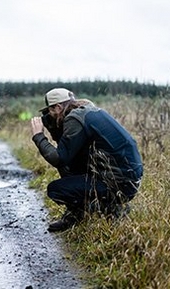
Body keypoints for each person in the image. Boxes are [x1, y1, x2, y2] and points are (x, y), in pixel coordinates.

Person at [30, 88, 143, 232]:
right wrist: (54, 127)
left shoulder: (74, 119)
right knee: (70, 166)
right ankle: (76, 213)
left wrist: (39, 136)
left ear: (58, 107)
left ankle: (112, 208)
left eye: (50, 111)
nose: (49, 115)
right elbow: (68, 155)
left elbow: (59, 158)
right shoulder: (87, 111)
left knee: (56, 190)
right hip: (129, 181)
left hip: (119, 185)